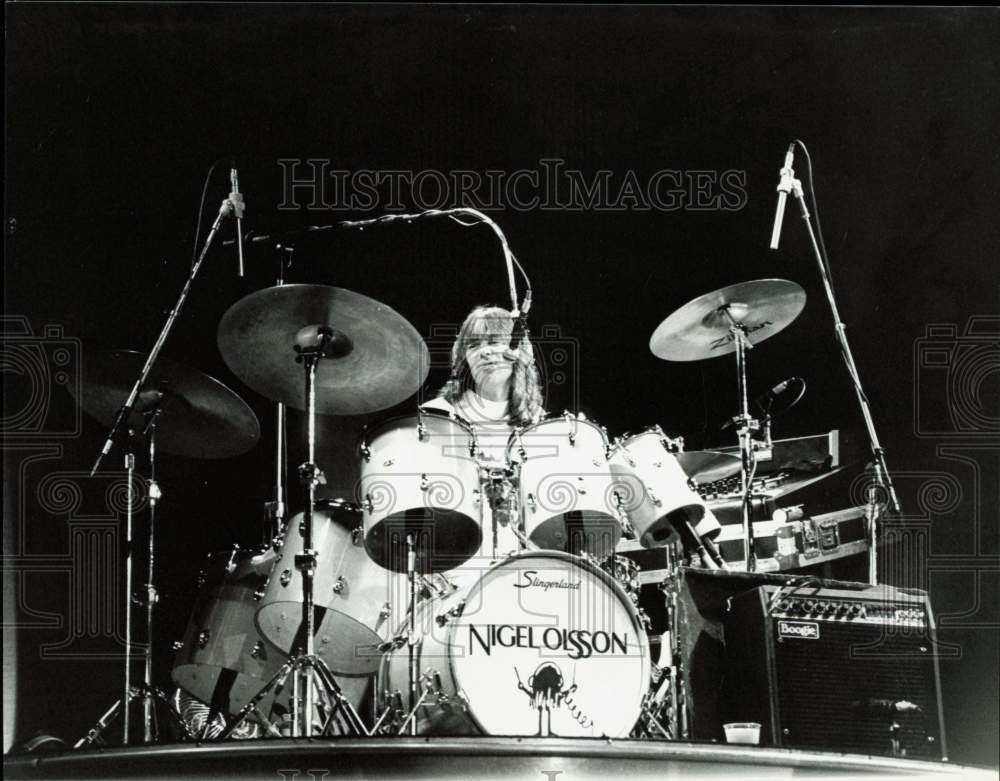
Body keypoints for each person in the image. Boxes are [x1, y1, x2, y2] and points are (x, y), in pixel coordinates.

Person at [421, 305, 545, 562]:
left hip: (527, 559)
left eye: (495, 341)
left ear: (518, 350)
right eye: (474, 345)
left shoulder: (538, 422)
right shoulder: (437, 416)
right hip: (453, 555)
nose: (485, 351)